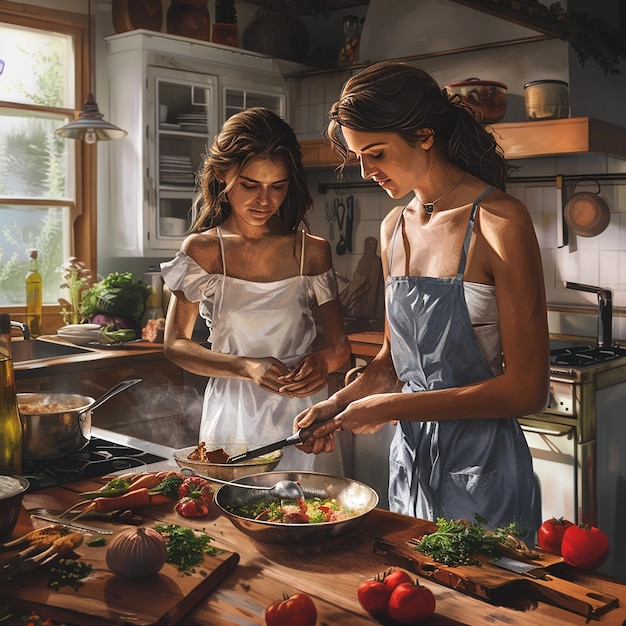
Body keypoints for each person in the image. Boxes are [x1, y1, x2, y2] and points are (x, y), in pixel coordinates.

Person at [295, 61, 550, 538]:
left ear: (424, 135)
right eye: (359, 157)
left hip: (483, 470)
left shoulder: (500, 222)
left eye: (376, 153)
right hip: (410, 462)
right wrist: (342, 402)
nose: (367, 171)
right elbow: (394, 361)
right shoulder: (394, 228)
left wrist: (389, 409)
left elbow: (527, 390)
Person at [161, 107, 351, 472]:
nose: (265, 200)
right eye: (250, 185)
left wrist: (323, 362)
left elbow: (340, 346)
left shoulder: (310, 251)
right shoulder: (204, 251)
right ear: (221, 175)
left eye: (277, 186)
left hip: (303, 413)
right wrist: (247, 366)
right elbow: (175, 345)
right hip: (235, 412)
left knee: (312, 512)